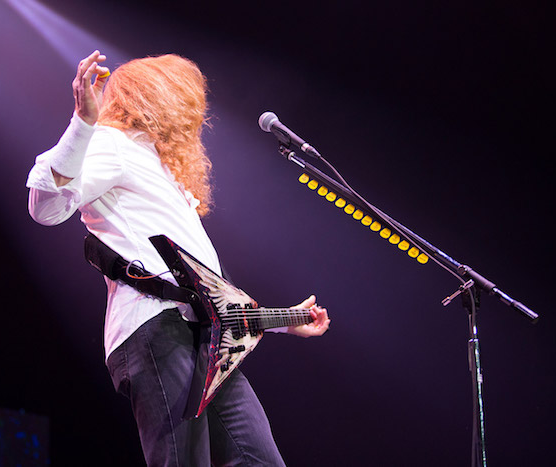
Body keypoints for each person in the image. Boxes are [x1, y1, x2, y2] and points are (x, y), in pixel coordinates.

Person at [26, 50, 330, 466]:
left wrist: (285, 321)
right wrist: (83, 122)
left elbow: (212, 295)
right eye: (183, 95)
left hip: (208, 340)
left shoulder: (163, 170)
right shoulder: (114, 144)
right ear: (155, 96)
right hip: (157, 328)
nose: (194, 111)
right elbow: (45, 207)